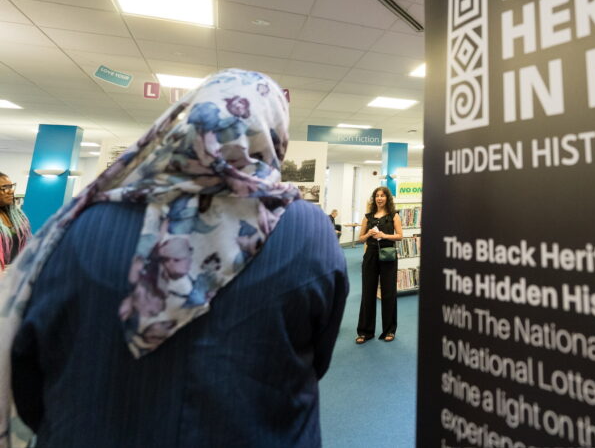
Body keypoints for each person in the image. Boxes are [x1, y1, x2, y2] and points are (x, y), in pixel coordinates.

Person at [0, 69, 348, 448]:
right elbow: (317, 355)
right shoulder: (307, 231)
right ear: (273, 135)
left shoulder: (82, 223)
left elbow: (31, 365)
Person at [355, 186, 402, 344]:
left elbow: (400, 236)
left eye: (382, 195)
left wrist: (384, 235)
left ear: (387, 198)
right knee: (368, 292)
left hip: (388, 256)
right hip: (370, 256)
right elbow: (360, 238)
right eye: (377, 196)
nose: (379, 198)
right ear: (374, 199)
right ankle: (365, 332)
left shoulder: (394, 216)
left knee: (389, 293)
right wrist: (368, 234)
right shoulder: (367, 217)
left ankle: (389, 330)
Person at [0, 174, 29, 271]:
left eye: (11, 186)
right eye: (5, 188)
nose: (11, 191)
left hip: (16, 271)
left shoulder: (18, 217)